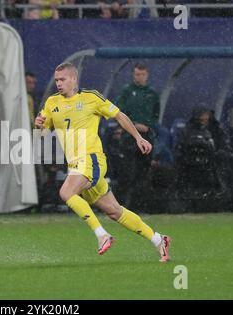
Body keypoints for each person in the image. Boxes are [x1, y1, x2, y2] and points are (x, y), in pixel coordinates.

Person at [34, 62, 171, 262]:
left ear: (74, 79)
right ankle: (159, 239)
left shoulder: (91, 97)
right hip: (76, 166)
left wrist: (138, 137)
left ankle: (102, 235)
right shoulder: (51, 102)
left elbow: (119, 116)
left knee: (65, 192)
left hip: (92, 160)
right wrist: (38, 125)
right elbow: (42, 131)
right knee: (114, 211)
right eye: (56, 80)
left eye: (62, 79)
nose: (59, 84)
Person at [114, 63, 160, 207]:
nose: (138, 77)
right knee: (128, 172)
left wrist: (148, 126)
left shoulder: (152, 93)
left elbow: (155, 115)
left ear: (147, 75)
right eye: (136, 74)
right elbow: (117, 112)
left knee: (144, 172)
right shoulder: (127, 91)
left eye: (141, 74)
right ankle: (125, 205)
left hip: (146, 137)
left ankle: (142, 204)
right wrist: (133, 124)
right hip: (129, 138)